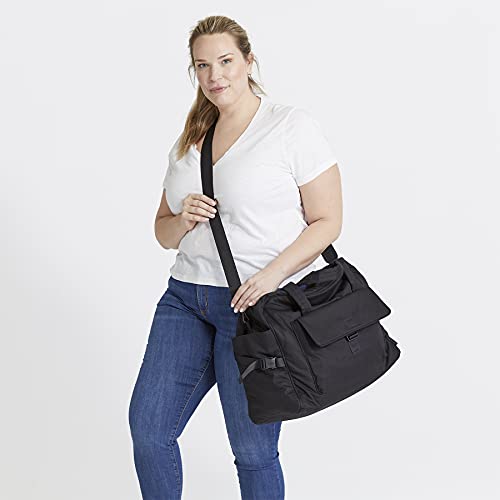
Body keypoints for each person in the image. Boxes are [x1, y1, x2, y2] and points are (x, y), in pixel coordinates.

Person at [128, 15, 343, 500]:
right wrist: (182, 219)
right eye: (202, 66)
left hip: (253, 309)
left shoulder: (290, 127)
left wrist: (270, 277)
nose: (215, 75)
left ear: (248, 60)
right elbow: (162, 232)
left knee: (252, 451)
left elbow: (327, 220)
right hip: (185, 301)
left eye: (225, 61)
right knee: (149, 432)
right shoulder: (190, 139)